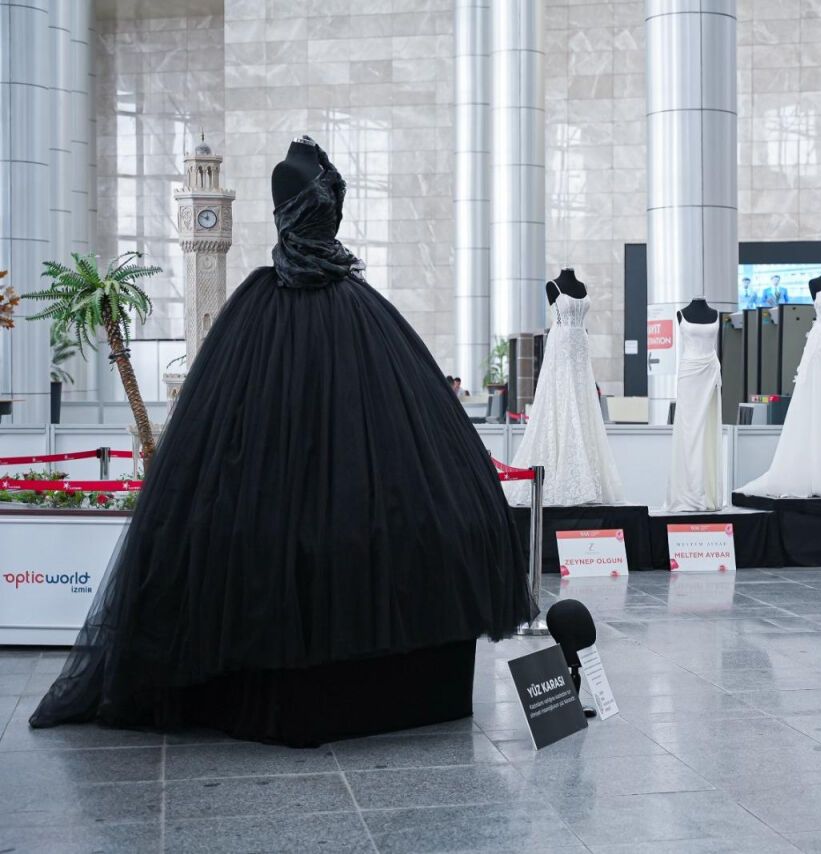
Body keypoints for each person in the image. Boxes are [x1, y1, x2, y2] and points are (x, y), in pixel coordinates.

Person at [28, 137, 536, 746]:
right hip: (285, 313)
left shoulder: (315, 175)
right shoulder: (285, 173)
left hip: (347, 310)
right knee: (278, 488)